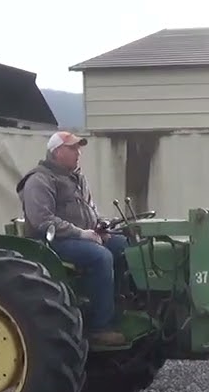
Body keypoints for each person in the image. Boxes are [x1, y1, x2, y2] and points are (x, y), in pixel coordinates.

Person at [16, 131, 128, 346]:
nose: (79, 153)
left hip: (82, 237)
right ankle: (99, 327)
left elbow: (90, 210)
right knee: (101, 257)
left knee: (125, 246)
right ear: (57, 152)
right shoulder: (39, 180)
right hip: (52, 242)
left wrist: (101, 226)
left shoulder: (77, 178)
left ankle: (121, 309)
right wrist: (82, 233)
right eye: (73, 148)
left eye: (79, 148)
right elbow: (42, 220)